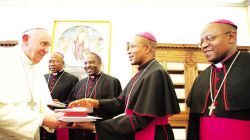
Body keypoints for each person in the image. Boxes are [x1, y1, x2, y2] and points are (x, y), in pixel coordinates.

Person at [68, 32, 180, 140]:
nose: (129, 51)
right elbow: (120, 103)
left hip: (153, 134)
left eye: (132, 47)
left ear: (146, 48)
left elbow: (141, 119)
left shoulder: (155, 73)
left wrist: (95, 126)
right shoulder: (142, 72)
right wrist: (94, 102)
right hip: (138, 132)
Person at [186, 19, 250, 140]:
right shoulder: (201, 78)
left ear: (231, 37)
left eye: (210, 38)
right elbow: (194, 126)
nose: (204, 45)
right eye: (201, 41)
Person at [0, 28, 66, 139]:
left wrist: (55, 116)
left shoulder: (34, 66)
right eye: (43, 44)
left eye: (48, 46)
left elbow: (39, 106)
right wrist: (41, 119)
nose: (46, 50)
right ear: (26, 39)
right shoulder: (3, 60)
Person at [67, 51, 122, 140]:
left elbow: (117, 106)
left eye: (91, 62)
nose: (88, 65)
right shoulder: (81, 83)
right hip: (79, 130)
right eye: (85, 63)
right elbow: (71, 101)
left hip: (101, 131)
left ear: (100, 63)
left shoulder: (112, 81)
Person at [41, 52, 79, 140]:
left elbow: (74, 99)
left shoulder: (72, 79)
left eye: (55, 61)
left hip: (60, 117)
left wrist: (62, 104)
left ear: (63, 63)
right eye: (50, 61)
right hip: (44, 116)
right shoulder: (44, 77)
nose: (52, 64)